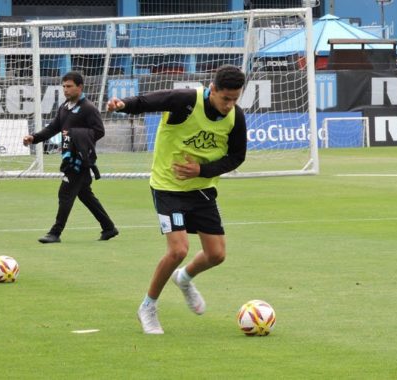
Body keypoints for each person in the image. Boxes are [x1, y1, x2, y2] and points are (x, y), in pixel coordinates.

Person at [106, 65, 247, 334]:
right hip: (168, 187)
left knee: (216, 255)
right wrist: (123, 104)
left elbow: (237, 156)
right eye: (225, 98)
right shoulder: (186, 101)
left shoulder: (235, 118)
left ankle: (183, 278)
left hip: (203, 189)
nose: (230, 105)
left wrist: (202, 170)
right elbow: (152, 101)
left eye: (235, 99)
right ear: (212, 89)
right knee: (178, 250)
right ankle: (148, 306)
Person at [23, 71, 118, 244]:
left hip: (80, 160)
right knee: (85, 195)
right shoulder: (65, 107)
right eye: (64, 86)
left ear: (80, 87)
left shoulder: (88, 108)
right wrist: (34, 138)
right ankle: (109, 227)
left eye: (69, 86)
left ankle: (55, 233)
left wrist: (76, 136)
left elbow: (99, 131)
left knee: (65, 193)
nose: (65, 90)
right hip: (69, 157)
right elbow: (53, 128)